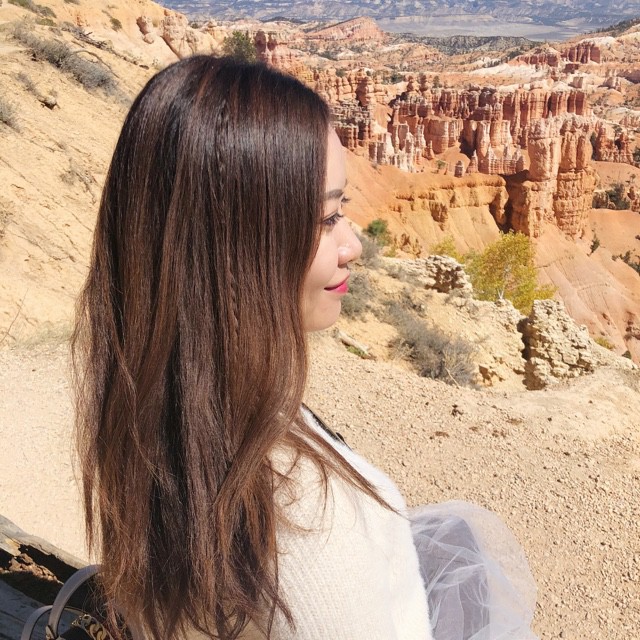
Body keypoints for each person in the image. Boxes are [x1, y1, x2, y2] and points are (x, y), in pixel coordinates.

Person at [73, 55, 537, 640]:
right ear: (236, 245)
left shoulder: (153, 409)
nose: (353, 245)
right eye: (327, 218)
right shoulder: (309, 525)